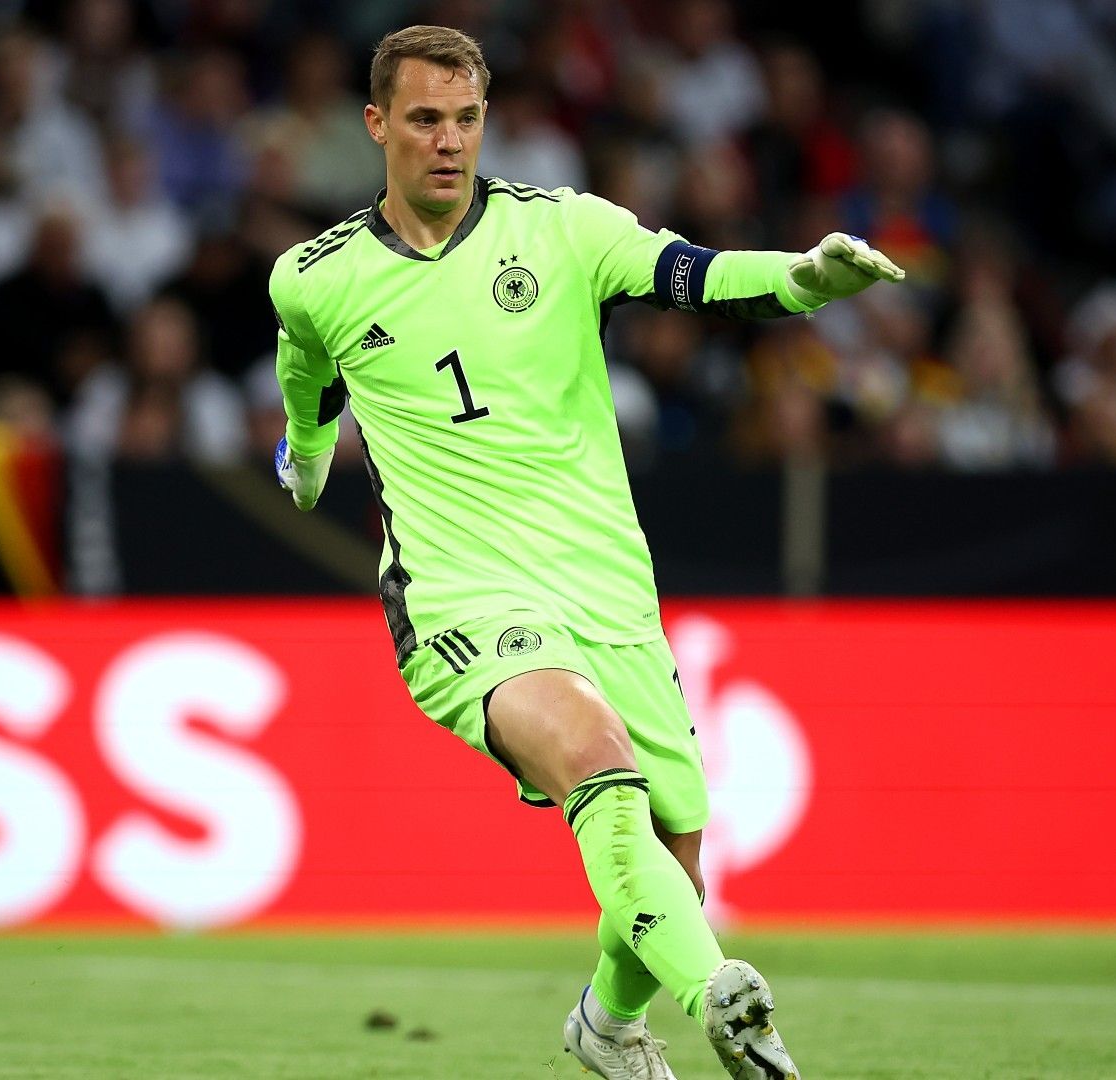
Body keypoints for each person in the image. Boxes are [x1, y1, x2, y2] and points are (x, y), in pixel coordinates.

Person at [266, 26, 903, 1080]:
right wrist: (305, 456)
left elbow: (691, 274)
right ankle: (726, 1004)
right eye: (424, 119)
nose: (448, 142)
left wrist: (800, 280)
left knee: (675, 861)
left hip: (606, 586)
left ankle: (606, 1026)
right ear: (377, 125)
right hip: (460, 597)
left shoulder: (562, 228)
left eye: (466, 119)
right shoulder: (315, 276)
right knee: (594, 761)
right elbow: (308, 373)